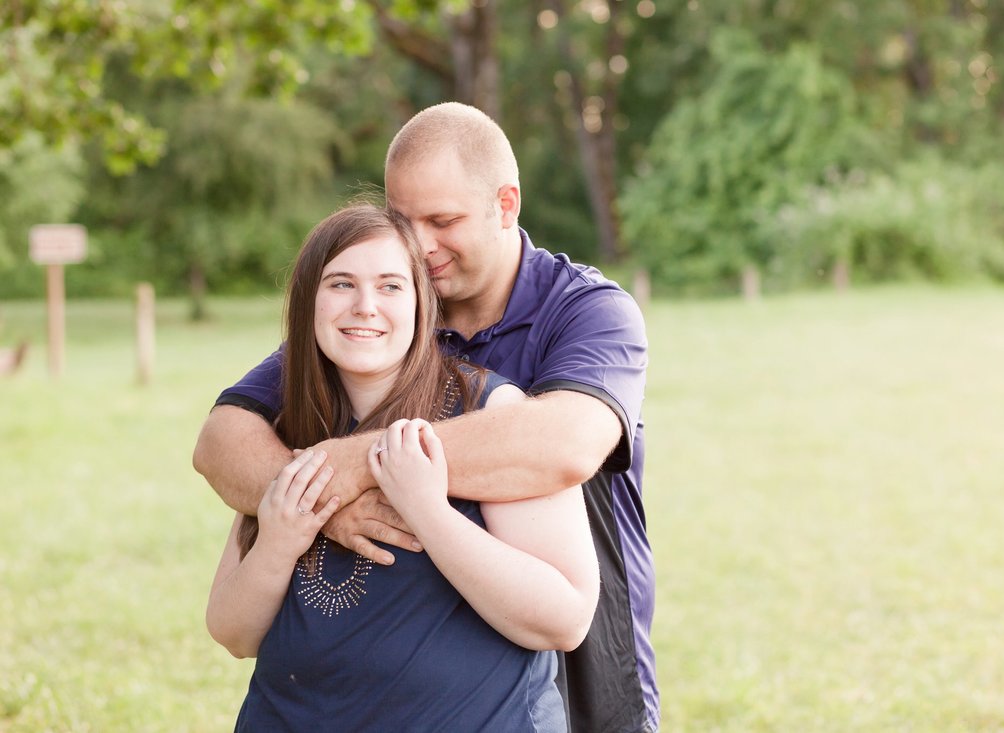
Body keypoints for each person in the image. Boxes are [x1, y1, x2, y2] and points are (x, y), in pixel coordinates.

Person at [194, 102, 658, 733]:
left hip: (583, 648)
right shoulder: (377, 315)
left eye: (443, 221)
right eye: (402, 219)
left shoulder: (588, 312)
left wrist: (360, 462)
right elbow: (224, 437)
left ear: (506, 205)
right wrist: (320, 506)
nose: (418, 244)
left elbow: (566, 444)